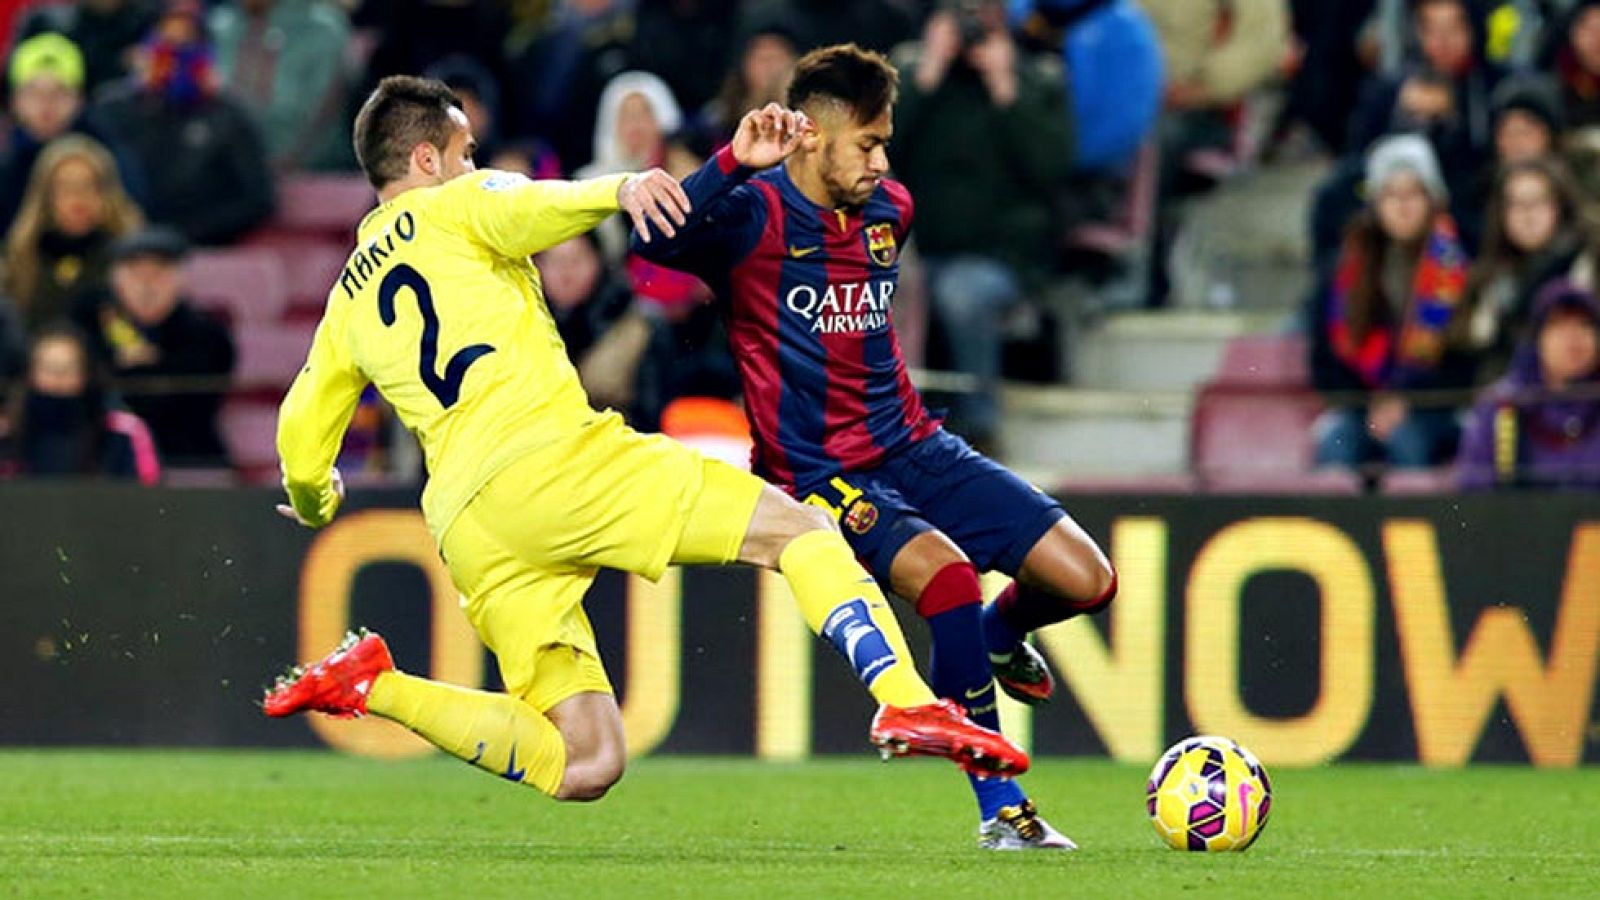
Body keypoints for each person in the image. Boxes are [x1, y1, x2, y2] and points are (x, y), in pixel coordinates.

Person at [263, 75, 1025, 805]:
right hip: (554, 463)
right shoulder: (457, 202)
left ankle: (375, 685)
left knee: (586, 763)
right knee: (802, 530)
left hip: (470, 527)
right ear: (427, 160)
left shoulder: (346, 301)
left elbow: (299, 437)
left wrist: (317, 498)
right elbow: (526, 202)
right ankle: (905, 698)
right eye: (465, 153)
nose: (474, 165)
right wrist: (620, 188)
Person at [632, 44, 1116, 849]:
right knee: (948, 579)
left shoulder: (891, 208)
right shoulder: (753, 214)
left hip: (915, 443)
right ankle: (1002, 810)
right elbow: (654, 242)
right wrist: (731, 162)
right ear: (812, 136)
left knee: (1088, 580)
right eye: (868, 143)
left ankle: (1000, 636)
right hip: (817, 471)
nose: (882, 162)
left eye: (885, 142)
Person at [890, 1, 1075, 449]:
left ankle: (980, 428)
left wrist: (1007, 90)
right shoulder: (913, 77)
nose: (973, 26)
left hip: (1004, 255)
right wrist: (925, 77)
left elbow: (1052, 169)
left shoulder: (1039, 78)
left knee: (963, 292)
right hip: (914, 249)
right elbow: (873, 156)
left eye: (984, 12)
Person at [1311, 135, 1473, 471]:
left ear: (1432, 199)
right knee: (1335, 443)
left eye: (1413, 193)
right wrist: (1370, 402)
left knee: (1407, 441)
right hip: (1362, 404)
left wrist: (1407, 400)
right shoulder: (1348, 268)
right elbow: (1326, 358)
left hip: (1435, 407)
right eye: (1390, 195)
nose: (1402, 206)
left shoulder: (1457, 266)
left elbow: (1464, 361)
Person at [87, 0, 276, 246]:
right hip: (118, 243)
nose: (175, 58)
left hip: (204, 247)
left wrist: (188, 232)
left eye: (186, 46)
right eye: (165, 44)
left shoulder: (230, 116)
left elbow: (257, 199)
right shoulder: (111, 110)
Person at [78, 227, 235, 468]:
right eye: (136, 275)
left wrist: (133, 368)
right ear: (116, 281)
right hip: (104, 457)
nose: (147, 287)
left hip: (187, 456)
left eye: (158, 275)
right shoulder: (89, 324)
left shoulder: (207, 333)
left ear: (180, 280)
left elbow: (191, 404)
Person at [1458, 158, 1598, 383]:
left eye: (1538, 201)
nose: (1527, 215)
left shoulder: (1589, 261)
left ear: (1560, 205)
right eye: (1516, 204)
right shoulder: (1489, 276)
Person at [1457, 280, 1600, 490]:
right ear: (1537, 340)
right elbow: (1473, 489)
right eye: (1559, 325)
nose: (1574, 337)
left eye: (1584, 325)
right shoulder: (1503, 406)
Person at [3, 135, 145, 335]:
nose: (78, 198)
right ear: (46, 196)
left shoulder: (132, 254)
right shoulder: (22, 256)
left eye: (89, 186)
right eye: (65, 187)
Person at [0, 323, 160, 484]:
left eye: (68, 368)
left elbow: (149, 492)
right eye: (48, 368)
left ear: (86, 373)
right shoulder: (7, 433)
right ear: (30, 373)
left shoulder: (123, 433)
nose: (58, 377)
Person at [208, 0, 354, 172]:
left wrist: (281, 166)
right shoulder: (218, 26)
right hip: (223, 173)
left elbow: (324, 121)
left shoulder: (324, 31)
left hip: (313, 172)